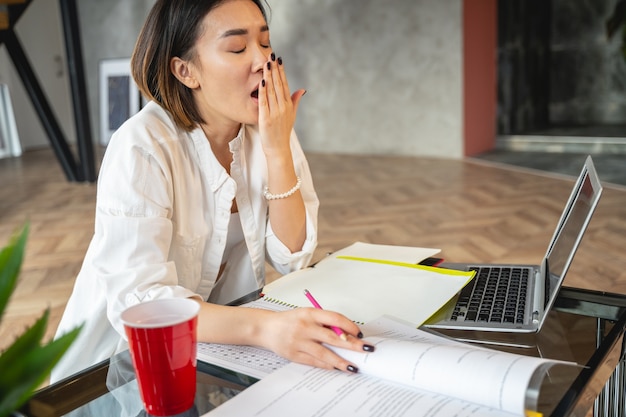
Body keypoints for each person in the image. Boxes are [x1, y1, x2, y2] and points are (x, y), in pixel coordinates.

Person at [51, 0, 374, 382]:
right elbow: (142, 305)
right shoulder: (142, 145)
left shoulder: (268, 129)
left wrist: (277, 150)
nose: (261, 61)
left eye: (265, 43)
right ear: (185, 71)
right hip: (119, 369)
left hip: (215, 351)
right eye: (237, 48)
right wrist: (266, 329)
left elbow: (292, 258)